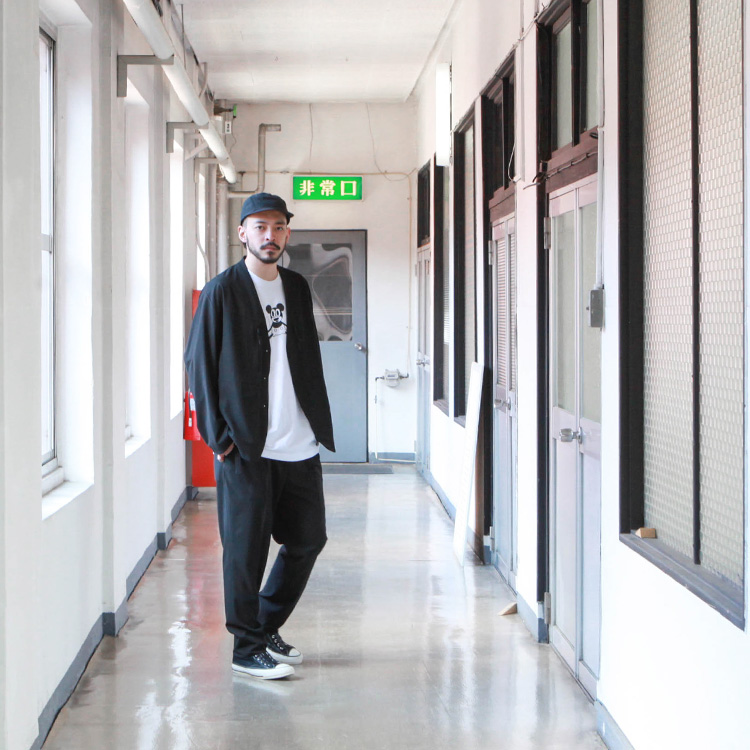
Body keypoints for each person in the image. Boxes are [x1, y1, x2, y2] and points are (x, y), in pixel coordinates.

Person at [185, 192, 335, 680]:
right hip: (247, 447)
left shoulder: (296, 287)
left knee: (308, 540)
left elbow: (304, 360)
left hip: (299, 442)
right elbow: (198, 365)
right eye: (260, 227)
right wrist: (219, 439)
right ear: (243, 233)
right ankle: (245, 648)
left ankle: (264, 626)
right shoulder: (222, 291)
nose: (270, 236)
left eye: (278, 227)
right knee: (245, 552)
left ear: (287, 233)